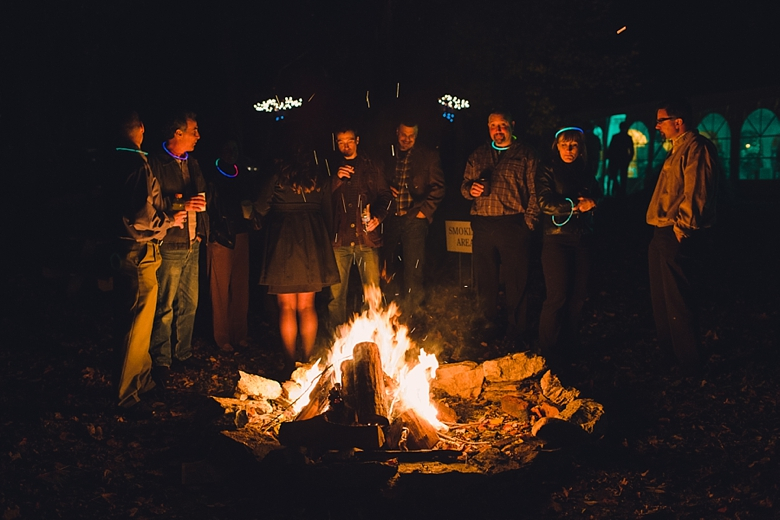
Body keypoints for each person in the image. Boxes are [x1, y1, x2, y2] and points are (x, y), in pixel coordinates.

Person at [111, 111, 185, 413]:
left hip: (128, 249)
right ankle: (127, 395)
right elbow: (142, 215)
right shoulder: (136, 164)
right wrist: (169, 220)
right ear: (140, 129)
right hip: (139, 251)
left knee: (140, 321)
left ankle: (143, 382)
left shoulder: (115, 160)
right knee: (137, 325)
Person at [647, 99, 719, 372]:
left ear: (679, 122)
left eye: (661, 120)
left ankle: (689, 360)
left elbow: (696, 192)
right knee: (662, 298)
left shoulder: (696, 148)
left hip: (675, 233)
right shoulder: (677, 149)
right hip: (661, 231)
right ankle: (670, 354)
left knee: (678, 298)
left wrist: (682, 230)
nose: (656, 126)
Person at [461, 110, 540, 344]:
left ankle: (517, 329)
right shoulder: (479, 154)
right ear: (488, 128)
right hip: (483, 223)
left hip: (513, 223)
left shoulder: (526, 154)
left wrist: (529, 223)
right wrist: (469, 190)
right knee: (485, 281)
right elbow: (464, 186)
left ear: (512, 125)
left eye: (502, 125)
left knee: (516, 280)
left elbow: (536, 192)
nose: (498, 130)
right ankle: (488, 325)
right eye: (493, 125)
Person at [256, 153, 339, 367]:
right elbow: (328, 213)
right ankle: (307, 359)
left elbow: (261, 206)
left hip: (282, 241)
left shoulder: (277, 176)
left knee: (286, 307)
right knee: (307, 306)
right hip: (311, 241)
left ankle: (290, 360)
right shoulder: (319, 177)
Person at [149, 112, 208, 387]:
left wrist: (202, 233)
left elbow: (203, 198)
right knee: (165, 305)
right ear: (177, 133)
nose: (198, 136)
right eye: (194, 130)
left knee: (190, 302)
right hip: (170, 243)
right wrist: (179, 204)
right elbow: (152, 203)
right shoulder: (156, 163)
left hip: (191, 243)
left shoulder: (193, 163)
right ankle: (161, 359)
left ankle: (182, 353)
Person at [536, 127, 600, 364]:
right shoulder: (547, 167)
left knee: (578, 296)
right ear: (557, 146)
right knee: (557, 296)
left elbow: (598, 196)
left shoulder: (586, 169)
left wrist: (594, 203)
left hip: (582, 238)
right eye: (565, 144)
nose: (569, 150)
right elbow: (544, 201)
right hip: (556, 238)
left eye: (574, 145)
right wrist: (574, 205)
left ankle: (570, 346)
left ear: (580, 147)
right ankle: (548, 351)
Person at [328, 127, 392, 326]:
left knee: (372, 294)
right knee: (335, 296)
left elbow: (386, 197)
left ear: (357, 140)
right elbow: (321, 198)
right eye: (341, 142)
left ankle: (373, 337)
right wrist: (335, 180)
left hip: (366, 240)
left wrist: (378, 218)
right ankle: (338, 341)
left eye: (349, 140)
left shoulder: (372, 166)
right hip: (340, 241)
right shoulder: (331, 167)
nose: (345, 145)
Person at [380, 122, 445, 311]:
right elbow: (378, 182)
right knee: (387, 265)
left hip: (414, 219)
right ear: (397, 133)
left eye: (411, 136)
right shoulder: (389, 155)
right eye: (403, 135)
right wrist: (385, 189)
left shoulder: (427, 156)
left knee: (413, 268)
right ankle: (388, 310)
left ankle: (413, 312)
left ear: (417, 135)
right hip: (391, 218)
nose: (407, 139)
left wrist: (423, 212)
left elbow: (439, 188)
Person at [206, 140, 256, 353]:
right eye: (227, 148)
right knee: (219, 289)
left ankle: (239, 334)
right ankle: (222, 337)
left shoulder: (242, 173)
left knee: (240, 287)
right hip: (221, 236)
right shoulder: (213, 175)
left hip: (241, 233)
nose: (231, 152)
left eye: (235, 148)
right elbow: (209, 206)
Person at [605, 121, 634, 197]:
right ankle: (622, 191)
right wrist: (629, 159)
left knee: (614, 175)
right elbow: (631, 150)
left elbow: (611, 148)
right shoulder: (628, 138)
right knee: (623, 176)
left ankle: (617, 190)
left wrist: (609, 157)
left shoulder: (616, 137)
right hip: (623, 159)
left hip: (615, 159)